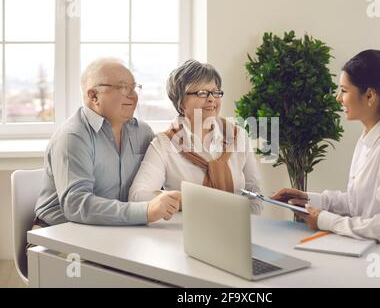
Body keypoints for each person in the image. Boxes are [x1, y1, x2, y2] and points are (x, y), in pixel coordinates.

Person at [272, 50, 380, 245]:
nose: (338, 99)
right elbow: (356, 202)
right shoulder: (368, 138)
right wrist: (308, 199)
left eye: (344, 90)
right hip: (372, 249)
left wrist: (324, 220)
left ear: (369, 95)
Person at [34, 58, 181, 228]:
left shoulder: (142, 132)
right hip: (57, 233)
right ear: (94, 96)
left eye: (134, 88)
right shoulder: (73, 137)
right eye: (123, 88)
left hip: (113, 229)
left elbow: (151, 183)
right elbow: (76, 205)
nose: (133, 95)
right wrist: (146, 211)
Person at [129, 60, 262, 214]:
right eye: (202, 93)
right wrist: (183, 200)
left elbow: (255, 194)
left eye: (216, 92)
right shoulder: (164, 143)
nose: (212, 98)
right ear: (181, 103)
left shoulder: (238, 136)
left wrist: (245, 225)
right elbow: (137, 195)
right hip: (183, 233)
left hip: (238, 230)